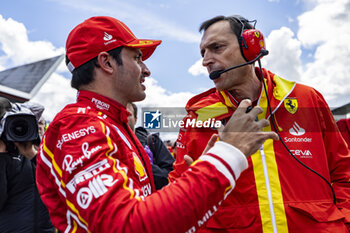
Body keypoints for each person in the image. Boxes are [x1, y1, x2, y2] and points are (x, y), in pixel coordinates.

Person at [35, 16, 278, 233]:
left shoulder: (111, 124)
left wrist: (203, 169)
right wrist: (227, 154)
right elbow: (126, 225)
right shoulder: (77, 125)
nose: (146, 70)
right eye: (137, 58)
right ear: (107, 63)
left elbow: (152, 210)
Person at [169, 15, 350, 232]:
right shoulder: (198, 116)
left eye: (217, 48)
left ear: (251, 47)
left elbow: (343, 172)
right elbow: (179, 190)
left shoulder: (307, 99)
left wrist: (343, 222)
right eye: (203, 53)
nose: (205, 61)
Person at [0, 98, 55, 233]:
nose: (20, 130)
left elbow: (58, 183)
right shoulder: (4, 158)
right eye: (15, 126)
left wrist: (32, 155)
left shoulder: (43, 156)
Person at [126, 102, 175, 190]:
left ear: (136, 119)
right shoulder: (108, 143)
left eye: (128, 114)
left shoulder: (152, 140)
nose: (123, 117)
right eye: (119, 113)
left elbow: (171, 174)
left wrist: (142, 165)